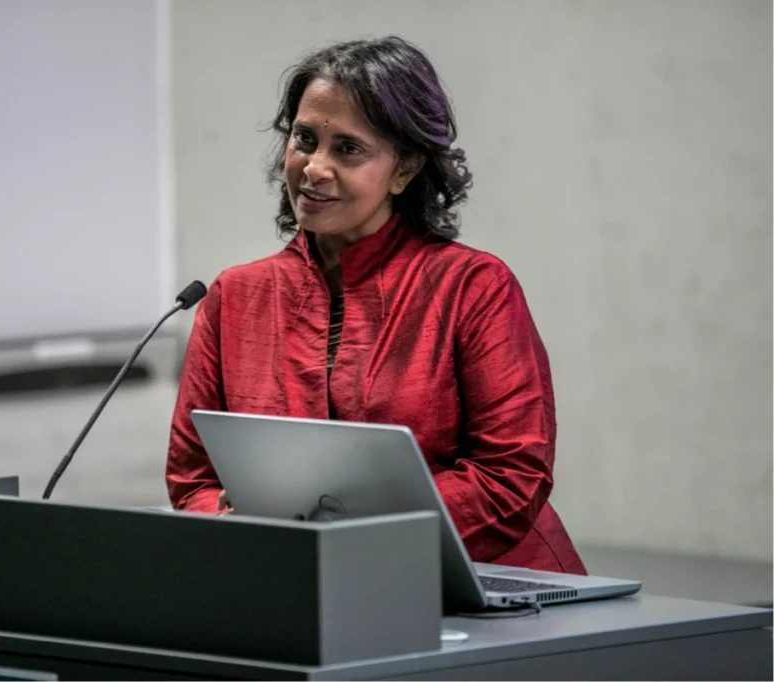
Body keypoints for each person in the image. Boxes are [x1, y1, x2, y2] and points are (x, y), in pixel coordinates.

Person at [165, 36, 586, 574]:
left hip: (484, 589)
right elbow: (193, 479)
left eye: (348, 149)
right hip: (299, 586)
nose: (314, 167)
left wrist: (348, 538)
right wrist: (235, 527)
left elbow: (510, 475)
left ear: (405, 169)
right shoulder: (234, 297)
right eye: (304, 138)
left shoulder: (474, 286)